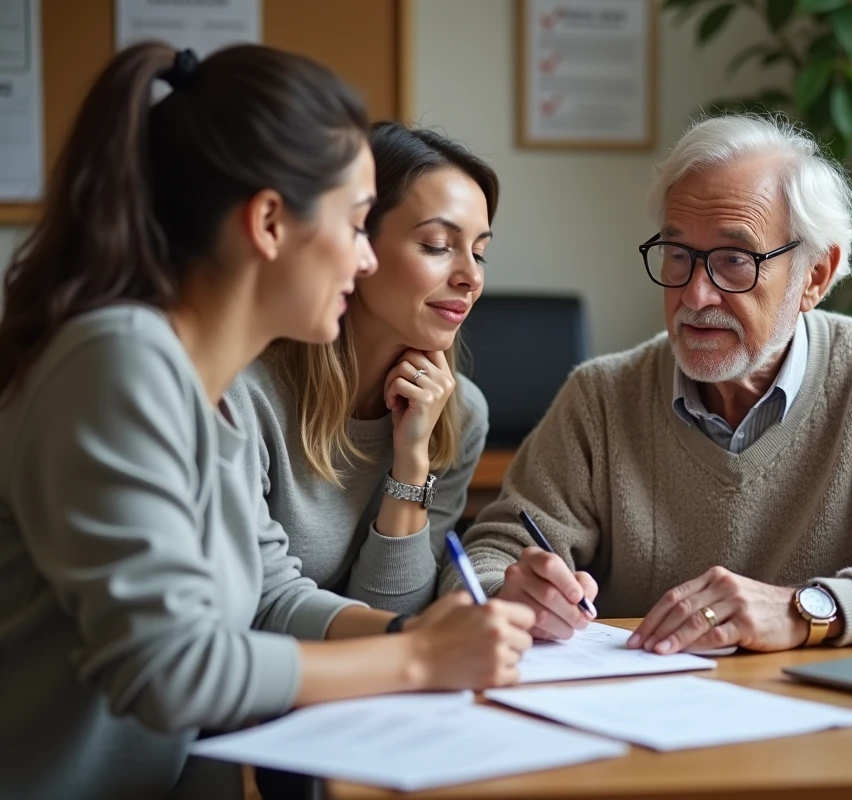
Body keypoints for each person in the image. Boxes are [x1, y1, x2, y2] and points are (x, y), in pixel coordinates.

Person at [0, 43, 532, 800]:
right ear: (271, 223)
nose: (362, 260)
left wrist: (412, 637)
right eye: (355, 226)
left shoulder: (194, 389)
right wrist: (416, 658)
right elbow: (173, 668)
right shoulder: (119, 364)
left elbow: (265, 597)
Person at [445, 114, 852, 656]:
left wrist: (808, 609)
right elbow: (486, 557)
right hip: (642, 730)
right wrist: (513, 591)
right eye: (678, 254)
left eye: (736, 260)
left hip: (830, 732)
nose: (696, 294)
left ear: (816, 274)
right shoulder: (601, 397)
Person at [226, 122, 494, 620]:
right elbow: (258, 609)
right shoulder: (242, 392)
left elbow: (390, 608)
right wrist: (410, 648)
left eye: (479, 252)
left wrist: (411, 461)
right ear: (355, 243)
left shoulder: (460, 414)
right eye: (438, 245)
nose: (471, 276)